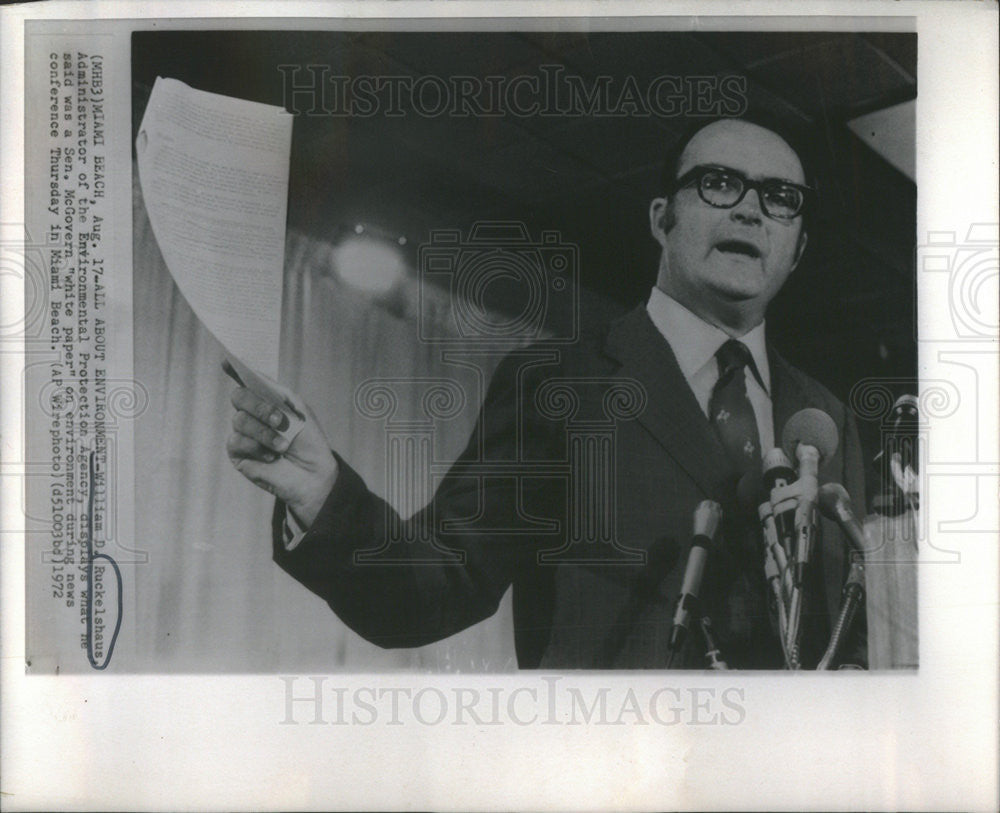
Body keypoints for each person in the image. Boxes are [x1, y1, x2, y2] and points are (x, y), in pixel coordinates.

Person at [226, 115, 866, 669]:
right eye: (719, 183)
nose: (751, 210)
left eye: (781, 197)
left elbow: (842, 631)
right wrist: (322, 495)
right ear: (662, 218)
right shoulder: (558, 384)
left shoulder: (825, 419)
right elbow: (436, 583)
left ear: (799, 246)